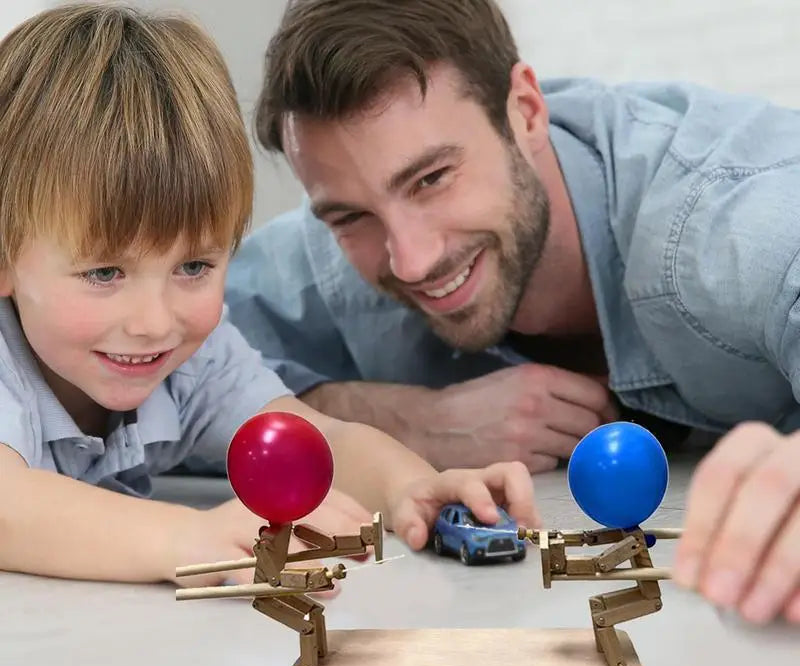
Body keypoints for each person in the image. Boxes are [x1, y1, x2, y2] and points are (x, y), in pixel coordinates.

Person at [224, 0, 800, 625]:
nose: (412, 260)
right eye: (351, 217)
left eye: (432, 179)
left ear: (525, 112)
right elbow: (158, 360)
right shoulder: (328, 249)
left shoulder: (728, 220)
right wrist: (405, 421)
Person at [0, 3, 538, 591]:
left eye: (194, 266)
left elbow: (312, 439)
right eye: (104, 273)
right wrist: (182, 538)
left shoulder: (194, 358)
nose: (155, 323)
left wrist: (408, 487)